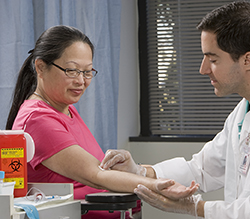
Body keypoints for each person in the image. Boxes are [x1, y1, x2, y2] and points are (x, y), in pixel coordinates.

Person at [100, 2, 250, 218]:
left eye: (213, 59)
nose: (203, 69)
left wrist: (194, 207)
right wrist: (140, 172)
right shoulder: (246, 109)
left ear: (248, 60)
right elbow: (203, 169)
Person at [6, 25, 199, 219]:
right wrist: (157, 185)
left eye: (88, 72)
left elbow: (100, 170)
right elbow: (96, 176)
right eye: (72, 70)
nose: (81, 81)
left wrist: (135, 170)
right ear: (40, 67)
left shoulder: (65, 109)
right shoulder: (37, 119)